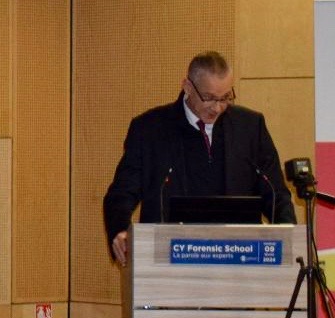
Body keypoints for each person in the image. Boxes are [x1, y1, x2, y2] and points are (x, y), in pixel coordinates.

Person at [103, 51, 296, 265]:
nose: (217, 107)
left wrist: (288, 237)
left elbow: (275, 192)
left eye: (225, 98)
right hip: (169, 261)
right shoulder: (150, 129)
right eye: (209, 97)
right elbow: (121, 193)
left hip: (240, 261)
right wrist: (120, 230)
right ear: (187, 87)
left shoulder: (250, 127)